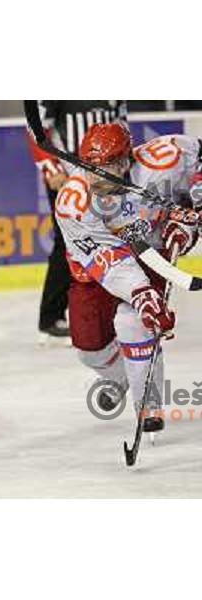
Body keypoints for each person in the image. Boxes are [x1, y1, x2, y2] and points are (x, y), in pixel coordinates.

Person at [56, 123, 201, 432]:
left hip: (151, 252)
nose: (96, 176)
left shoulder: (165, 160)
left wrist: (191, 214)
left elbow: (199, 162)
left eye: (106, 166)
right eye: (90, 166)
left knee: (135, 323)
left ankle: (148, 404)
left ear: (125, 161)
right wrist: (140, 291)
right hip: (96, 269)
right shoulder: (73, 205)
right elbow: (109, 261)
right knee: (90, 350)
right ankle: (123, 379)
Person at [27, 101, 129, 344]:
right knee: (68, 243)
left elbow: (123, 126)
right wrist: (51, 170)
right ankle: (50, 318)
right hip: (69, 175)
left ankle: (112, 312)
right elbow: (36, 130)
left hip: (106, 175)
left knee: (113, 237)